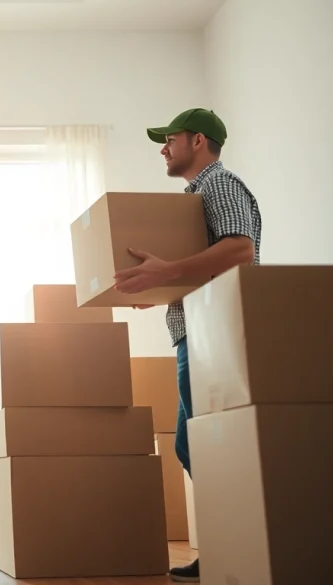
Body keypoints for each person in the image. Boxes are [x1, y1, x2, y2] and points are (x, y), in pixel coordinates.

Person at [113, 108, 261, 583]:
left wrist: (167, 273)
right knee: (192, 445)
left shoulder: (219, 185)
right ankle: (232, 547)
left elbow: (242, 250)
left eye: (169, 139)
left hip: (213, 335)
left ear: (198, 141)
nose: (163, 148)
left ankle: (239, 547)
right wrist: (156, 287)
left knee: (204, 448)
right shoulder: (193, 198)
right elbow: (200, 268)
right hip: (196, 333)